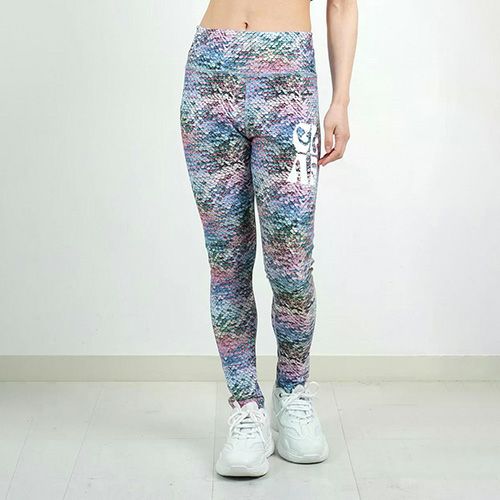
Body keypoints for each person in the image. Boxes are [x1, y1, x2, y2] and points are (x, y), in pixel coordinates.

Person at [180, 0, 358, 477]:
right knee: (228, 261)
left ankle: (293, 393)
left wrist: (340, 101)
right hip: (209, 76)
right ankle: (245, 409)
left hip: (289, 84)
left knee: (291, 262)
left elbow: (342, 5)